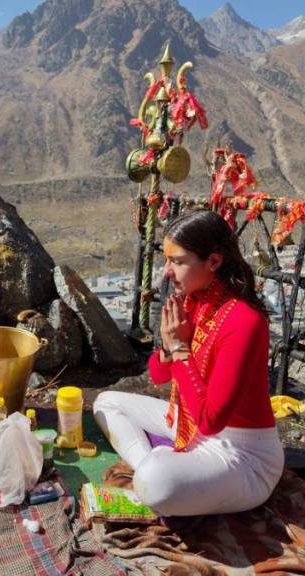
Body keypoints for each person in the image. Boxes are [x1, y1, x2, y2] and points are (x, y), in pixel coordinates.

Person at [93, 210, 282, 516]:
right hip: (192, 425)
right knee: (106, 403)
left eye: (178, 261)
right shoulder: (195, 301)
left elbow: (211, 421)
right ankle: (151, 470)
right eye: (167, 260)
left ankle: (157, 474)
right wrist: (169, 346)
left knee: (158, 482)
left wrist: (180, 348)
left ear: (214, 262)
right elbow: (157, 374)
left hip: (242, 454)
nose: (167, 271)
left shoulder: (244, 322)